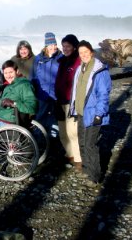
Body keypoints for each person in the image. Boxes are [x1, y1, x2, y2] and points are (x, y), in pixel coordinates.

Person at [69, 40, 112, 187]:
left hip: (94, 113)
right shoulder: (80, 69)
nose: (83, 55)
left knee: (90, 145)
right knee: (82, 142)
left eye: (86, 52)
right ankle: (87, 170)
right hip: (81, 112)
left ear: (91, 52)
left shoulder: (100, 71)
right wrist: (73, 109)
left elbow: (103, 94)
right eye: (81, 53)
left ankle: (94, 176)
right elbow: (76, 91)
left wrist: (100, 113)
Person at [55, 34, 82, 170]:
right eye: (63, 46)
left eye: (68, 46)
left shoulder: (78, 61)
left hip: (72, 102)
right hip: (60, 101)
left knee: (72, 132)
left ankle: (78, 159)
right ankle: (69, 154)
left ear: (74, 47)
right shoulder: (62, 61)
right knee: (63, 132)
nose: (65, 49)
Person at [31, 32, 63, 141]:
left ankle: (53, 144)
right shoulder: (38, 59)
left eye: (54, 44)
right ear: (46, 45)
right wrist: (33, 94)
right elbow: (33, 77)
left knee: (54, 121)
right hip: (42, 95)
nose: (53, 47)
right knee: (40, 119)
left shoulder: (61, 58)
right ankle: (39, 143)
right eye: (50, 45)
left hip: (55, 96)